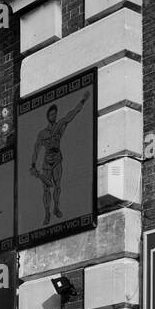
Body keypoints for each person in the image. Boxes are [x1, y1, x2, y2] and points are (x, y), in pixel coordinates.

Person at [29, 91, 90, 225]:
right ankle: (46, 214)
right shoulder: (42, 133)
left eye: (55, 113)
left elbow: (72, 114)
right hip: (46, 161)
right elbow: (36, 149)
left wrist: (83, 101)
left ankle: (56, 207)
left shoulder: (60, 125)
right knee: (46, 189)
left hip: (57, 159)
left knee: (57, 186)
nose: (53, 116)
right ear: (48, 116)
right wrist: (33, 164)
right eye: (51, 114)